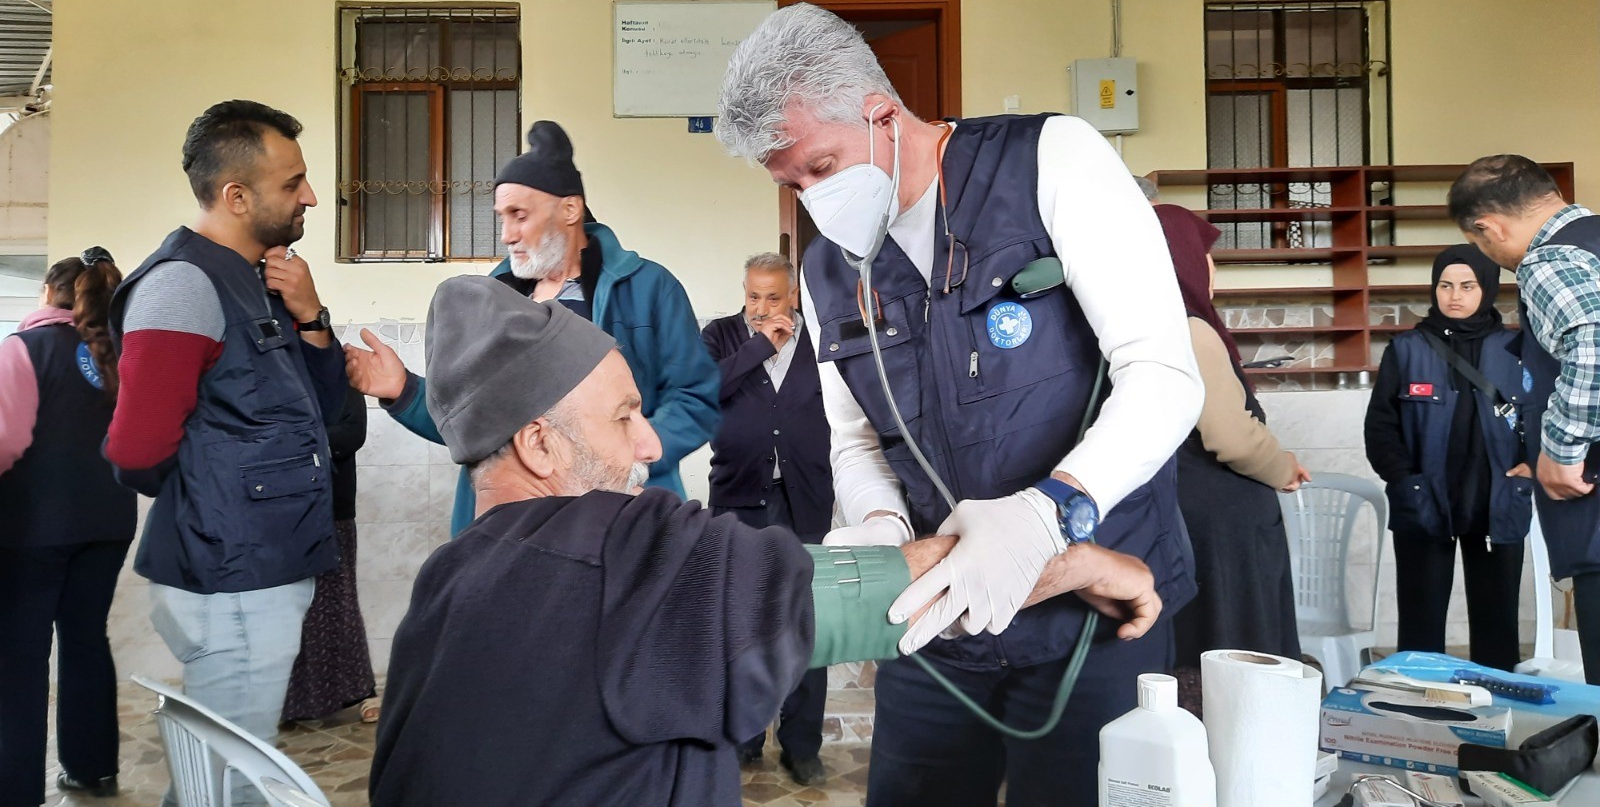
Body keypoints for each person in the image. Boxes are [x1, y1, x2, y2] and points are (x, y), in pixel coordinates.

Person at [368, 277, 1163, 806]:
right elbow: (884, 593)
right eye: (622, 419)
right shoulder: (626, 549)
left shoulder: (444, 583)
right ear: (540, 446)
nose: (651, 446)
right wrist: (1079, 558)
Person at [716, 3, 1202, 806]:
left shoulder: (1052, 161)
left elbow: (1163, 373)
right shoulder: (829, 270)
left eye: (822, 167)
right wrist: (878, 526)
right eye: (789, 182)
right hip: (941, 630)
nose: (811, 199)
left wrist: (1051, 512)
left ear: (881, 115)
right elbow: (855, 440)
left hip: (1092, 611)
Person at [105, 100, 348, 804]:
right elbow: (136, 449)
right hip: (229, 572)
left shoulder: (256, 278)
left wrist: (312, 317)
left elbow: (324, 411)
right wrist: (217, 496)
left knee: (221, 778)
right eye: (292, 182)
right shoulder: (184, 283)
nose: (308, 196)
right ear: (236, 196)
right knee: (231, 787)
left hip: (253, 565)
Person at [343, 120, 719, 536]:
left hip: (623, 516)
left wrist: (638, 448)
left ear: (570, 209)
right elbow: (477, 427)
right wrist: (405, 391)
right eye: (501, 217)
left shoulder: (648, 287)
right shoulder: (494, 299)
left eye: (519, 215)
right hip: (512, 529)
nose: (506, 235)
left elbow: (696, 396)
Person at [1448, 155, 1597, 680]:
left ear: (1488, 228)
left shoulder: (1548, 261)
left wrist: (1561, 449)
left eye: (1482, 245)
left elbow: (1593, 342)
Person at [1151, 205, 1308, 704]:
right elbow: (1230, 436)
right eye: (1205, 254)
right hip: (1224, 529)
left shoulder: (1134, 324)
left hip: (1173, 517)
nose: (1212, 265)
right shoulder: (1190, 328)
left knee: (1188, 665)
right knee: (1239, 662)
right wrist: (1282, 466)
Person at [0, 249, 135, 805]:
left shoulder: (22, 348)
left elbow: (6, 442)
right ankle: (92, 768)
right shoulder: (118, 353)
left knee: (19, 658)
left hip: (31, 526)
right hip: (108, 520)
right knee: (85, 639)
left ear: (47, 295)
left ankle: (14, 791)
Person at [1364, 245, 1532, 670]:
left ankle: (1497, 720)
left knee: (1498, 633)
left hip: (1496, 501)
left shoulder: (1518, 349)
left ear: (1488, 288)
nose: (1454, 295)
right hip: (1424, 502)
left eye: (1467, 285)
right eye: (1445, 285)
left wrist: (1531, 464)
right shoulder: (1406, 349)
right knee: (1420, 634)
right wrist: (1405, 480)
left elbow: (1541, 413)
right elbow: (1381, 426)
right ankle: (1419, 724)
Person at [700, 252, 833, 784]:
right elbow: (704, 390)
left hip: (806, 502)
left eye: (773, 297)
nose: (760, 306)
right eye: (753, 295)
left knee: (806, 624)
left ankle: (802, 746)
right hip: (737, 501)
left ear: (793, 297)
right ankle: (744, 738)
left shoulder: (822, 337)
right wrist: (761, 345)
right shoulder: (722, 335)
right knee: (741, 624)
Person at [282, 384, 379, 722]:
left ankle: (359, 691)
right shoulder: (278, 375)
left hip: (333, 506)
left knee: (338, 598)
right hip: (279, 508)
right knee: (286, 605)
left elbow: (352, 434)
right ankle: (291, 703)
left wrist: (294, 440)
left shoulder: (342, 376)